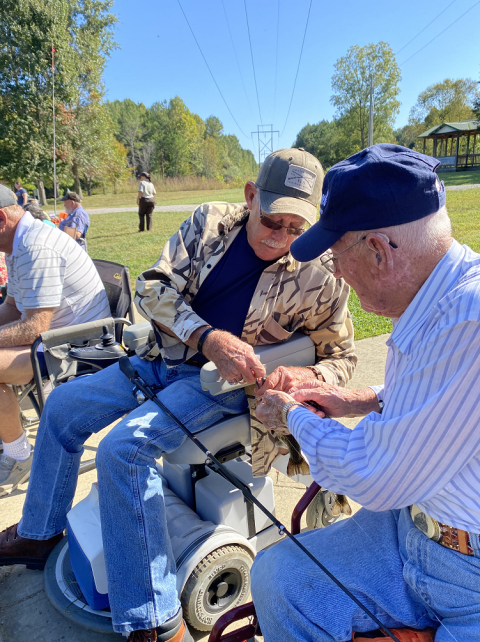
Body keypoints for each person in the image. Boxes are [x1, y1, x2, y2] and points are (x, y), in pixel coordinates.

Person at [0, 149, 357, 642]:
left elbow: (341, 358)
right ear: (250, 196)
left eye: (298, 228)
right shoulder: (210, 222)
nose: (282, 238)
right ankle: (39, 534)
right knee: (62, 407)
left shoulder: (324, 273)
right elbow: (151, 287)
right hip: (161, 360)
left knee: (122, 450)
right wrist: (207, 336)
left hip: (226, 389)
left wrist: (303, 380)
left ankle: (154, 620)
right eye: (272, 221)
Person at [252, 144, 480, 642]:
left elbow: (376, 475)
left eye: (336, 257)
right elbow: (436, 397)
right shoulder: (445, 295)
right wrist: (361, 398)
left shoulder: (470, 319)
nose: (337, 274)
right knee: (277, 577)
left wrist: (292, 415)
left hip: (470, 581)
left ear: (377, 249)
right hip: (415, 531)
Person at [0, 185, 110, 496]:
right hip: (54, 338)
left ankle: (18, 454)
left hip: (78, 347)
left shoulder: (36, 247)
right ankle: (10, 436)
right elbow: (11, 308)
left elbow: (34, 327)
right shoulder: (16, 243)